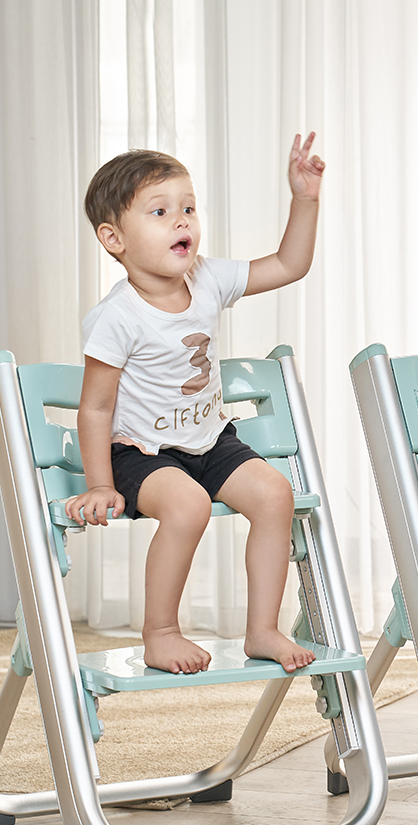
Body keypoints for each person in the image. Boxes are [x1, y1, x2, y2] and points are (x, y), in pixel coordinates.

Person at [66, 136, 325, 676]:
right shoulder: (116, 317)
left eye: (187, 207)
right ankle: (160, 631)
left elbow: (288, 265)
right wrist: (99, 484)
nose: (181, 220)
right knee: (189, 506)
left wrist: (305, 200)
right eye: (160, 212)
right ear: (114, 239)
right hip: (140, 451)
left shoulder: (206, 278)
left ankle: (262, 630)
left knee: (275, 494)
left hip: (209, 439)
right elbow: (94, 409)